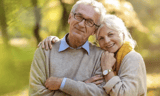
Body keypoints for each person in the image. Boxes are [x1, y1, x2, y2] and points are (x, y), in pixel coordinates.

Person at [40, 15, 147, 96]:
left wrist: (107, 69)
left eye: (111, 34)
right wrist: (55, 42)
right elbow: (96, 90)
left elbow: (124, 94)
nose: (107, 41)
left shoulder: (132, 58)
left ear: (122, 34)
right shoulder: (104, 57)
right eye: (101, 38)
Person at [29, 0, 107, 96]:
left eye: (89, 22)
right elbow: (36, 93)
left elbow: (100, 93)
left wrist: (62, 83)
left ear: (94, 30)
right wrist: (81, 88)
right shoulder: (45, 50)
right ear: (70, 17)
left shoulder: (101, 56)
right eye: (79, 16)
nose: (82, 24)